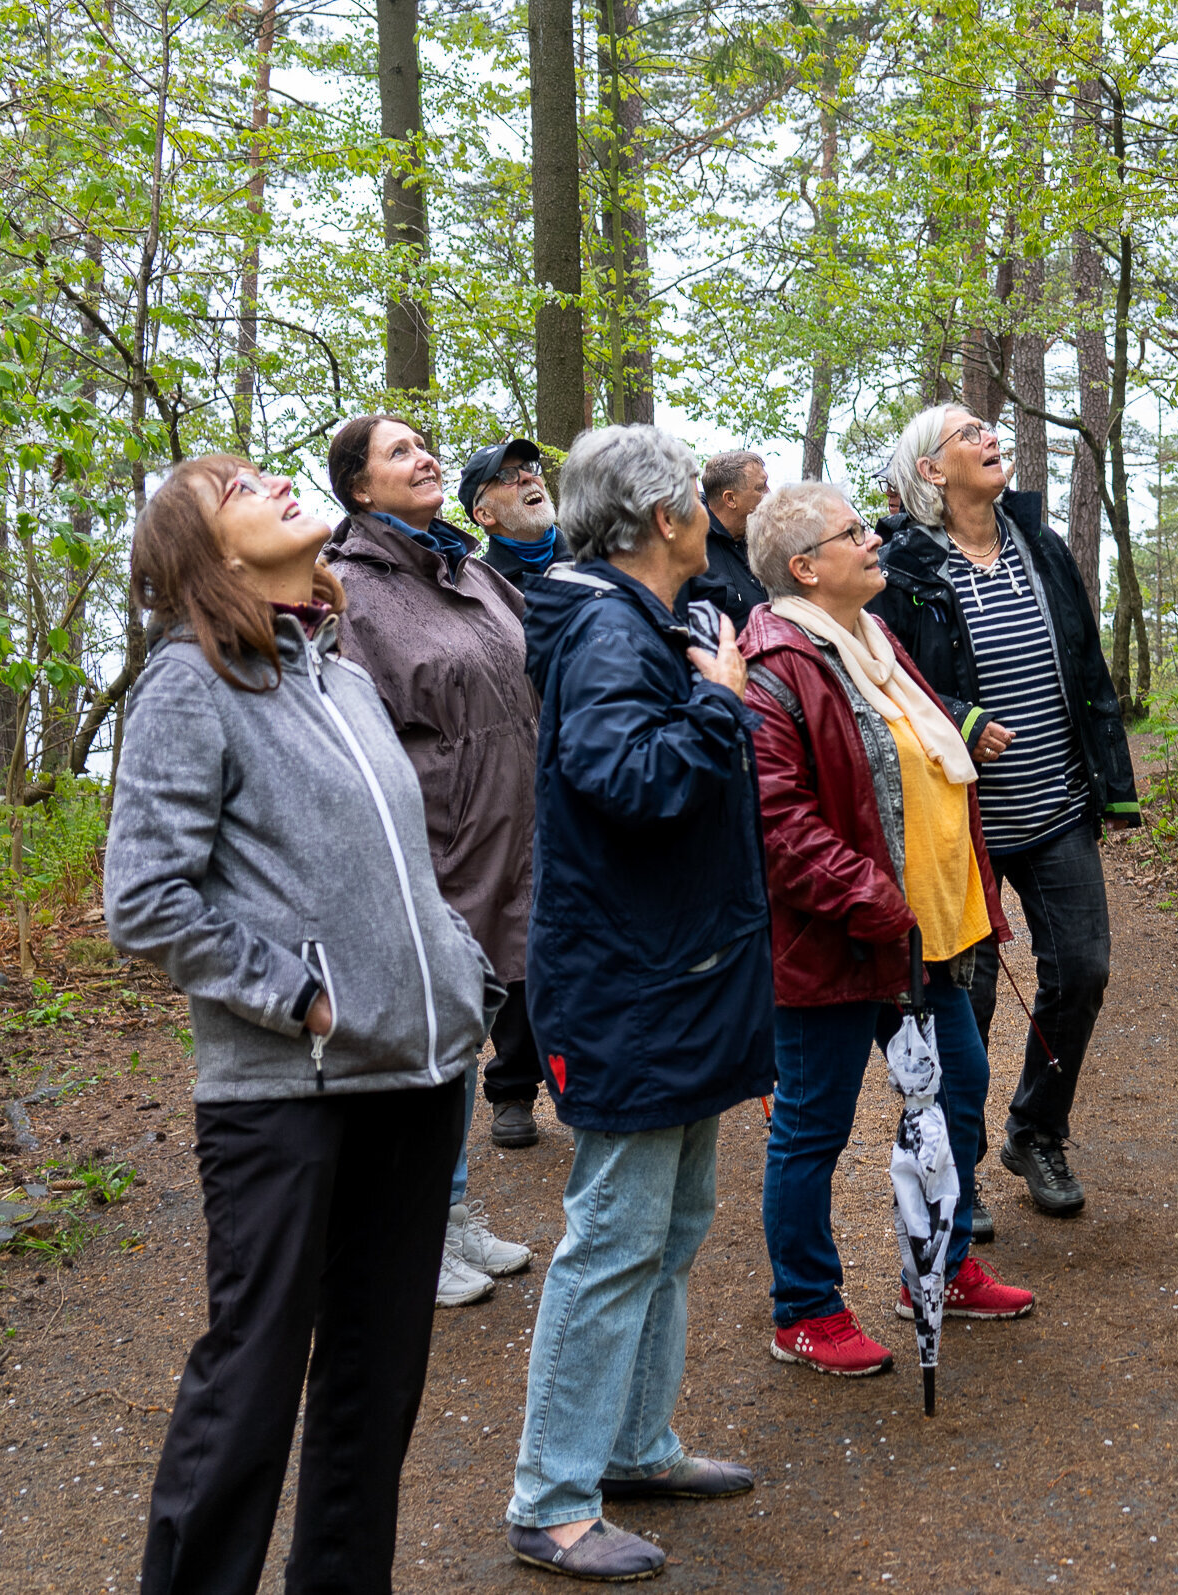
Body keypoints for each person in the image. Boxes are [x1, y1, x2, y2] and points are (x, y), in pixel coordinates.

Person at [105, 455, 506, 1594]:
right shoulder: (189, 682)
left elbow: (402, 868)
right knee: (251, 1384)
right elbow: (145, 896)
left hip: (414, 1078)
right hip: (285, 1092)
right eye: (238, 488)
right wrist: (298, 996)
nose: (276, 483)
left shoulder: (343, 676)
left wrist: (459, 969)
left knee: (376, 1385)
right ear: (208, 553)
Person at [505, 424, 774, 1582]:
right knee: (614, 1239)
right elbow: (630, 777)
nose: (714, 520)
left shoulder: (650, 617)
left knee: (671, 1227)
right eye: (699, 506)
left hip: (682, 974)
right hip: (633, 986)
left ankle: (632, 1443)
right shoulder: (608, 631)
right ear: (667, 518)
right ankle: (550, 1502)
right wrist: (719, 704)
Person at [742, 482, 1034, 1379]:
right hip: (836, 939)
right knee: (812, 1126)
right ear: (805, 567)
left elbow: (925, 770)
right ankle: (805, 1308)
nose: (874, 540)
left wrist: (939, 898)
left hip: (920, 933)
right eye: (853, 532)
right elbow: (778, 824)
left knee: (958, 1089)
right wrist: (873, 899)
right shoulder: (775, 665)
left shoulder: (873, 639)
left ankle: (938, 1269)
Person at [874, 405, 1140, 1228]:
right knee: (970, 1003)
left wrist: (1112, 780)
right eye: (969, 434)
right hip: (962, 827)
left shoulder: (1040, 545)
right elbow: (884, 679)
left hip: (1056, 803)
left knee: (1083, 971)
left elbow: (1086, 661)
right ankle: (962, 1163)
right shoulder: (901, 566)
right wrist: (959, 719)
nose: (990, 437)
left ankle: (1036, 1130)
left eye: (989, 428)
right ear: (930, 470)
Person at [322, 415, 539, 1309]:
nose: (425, 457)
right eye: (399, 452)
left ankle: (445, 1214)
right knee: (421, 1047)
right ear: (358, 487)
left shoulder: (471, 570)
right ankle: (406, 1234)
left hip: (511, 841)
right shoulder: (347, 588)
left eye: (424, 446)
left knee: (461, 1040)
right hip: (433, 851)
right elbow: (346, 739)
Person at [678, 448, 769, 628]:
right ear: (730, 499)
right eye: (760, 488)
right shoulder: (688, 547)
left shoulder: (764, 537)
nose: (769, 494)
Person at [462, 436, 570, 584]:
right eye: (507, 475)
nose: (528, 476)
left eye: (528, 467)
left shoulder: (593, 554)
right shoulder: (480, 586)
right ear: (485, 515)